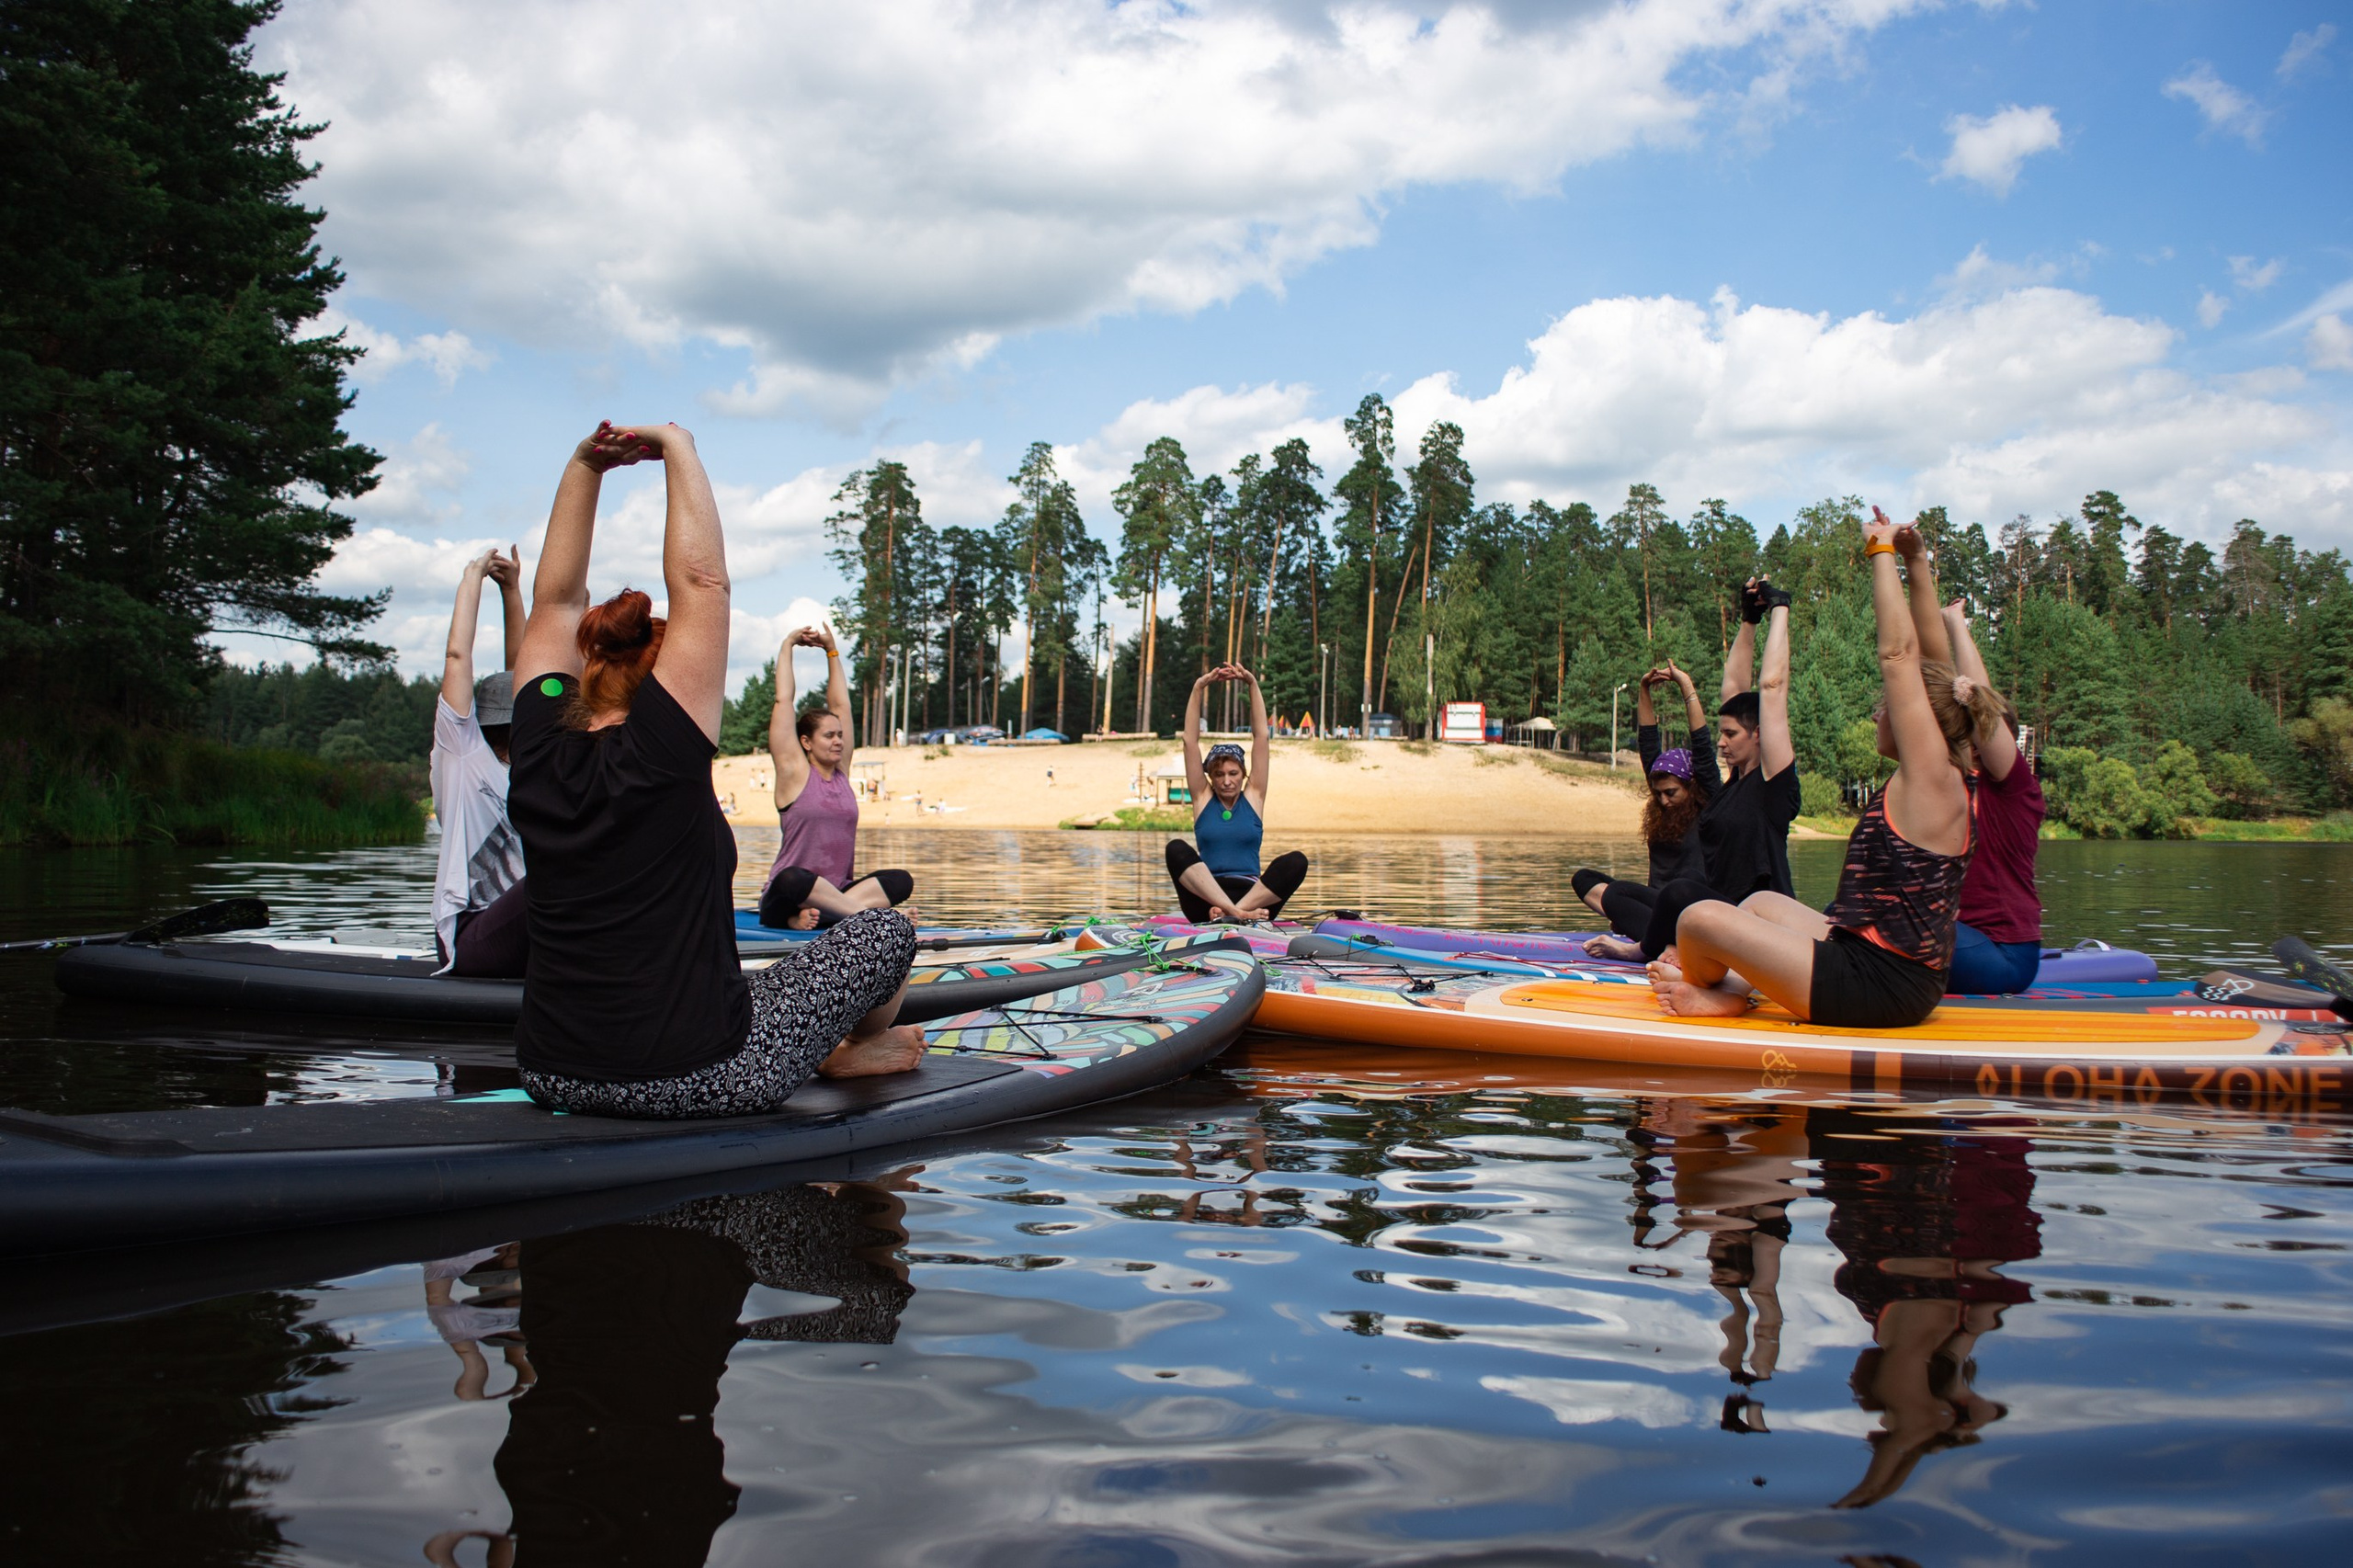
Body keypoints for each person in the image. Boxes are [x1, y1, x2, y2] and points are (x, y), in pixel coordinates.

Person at [506, 421, 921, 1119]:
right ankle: (853, 1048)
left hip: (551, 1072)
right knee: (887, 933)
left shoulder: (537, 744)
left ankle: (837, 1048)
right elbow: (702, 582)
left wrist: (585, 465)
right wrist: (679, 447)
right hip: (700, 1075)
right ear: (663, 687)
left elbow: (554, 605)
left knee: (752, 987)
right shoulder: (663, 750)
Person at [1650, 506, 2000, 1027]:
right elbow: (1932, 661)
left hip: (1878, 984)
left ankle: (1717, 991)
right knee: (1762, 903)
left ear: (1919, 720)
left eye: (1885, 707)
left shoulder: (1931, 778)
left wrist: (1881, 550)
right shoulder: (1953, 768)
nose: (1879, 714)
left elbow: (1900, 656)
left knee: (1697, 919)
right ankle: (1732, 989)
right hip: (1883, 965)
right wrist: (1917, 562)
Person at [1576, 578, 1802, 965]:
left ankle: (1644, 949)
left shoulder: (1772, 786)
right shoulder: (1733, 784)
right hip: (1718, 917)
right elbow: (1734, 688)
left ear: (1761, 735)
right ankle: (1668, 943)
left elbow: (1773, 686)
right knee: (1658, 893)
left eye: (1731, 735)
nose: (1721, 743)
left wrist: (1780, 607)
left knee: (1680, 891)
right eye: (1721, 733)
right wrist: (1748, 620)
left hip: (1760, 926)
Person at [755, 623, 915, 930]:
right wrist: (788, 644)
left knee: (900, 880)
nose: (838, 741)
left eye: (840, 735)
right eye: (829, 736)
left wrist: (832, 650)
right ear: (806, 742)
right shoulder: (793, 773)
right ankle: (872, 920)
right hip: (790, 894)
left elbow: (841, 705)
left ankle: (831, 915)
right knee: (792, 877)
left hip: (838, 895)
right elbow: (783, 701)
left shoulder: (842, 772)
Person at [1571, 660, 1722, 954]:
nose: (1663, 800)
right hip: (1657, 906)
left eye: (1671, 793)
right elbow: (1648, 743)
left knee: (1618, 894)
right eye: (1658, 793)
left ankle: (1649, 942)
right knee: (1585, 880)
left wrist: (1686, 687)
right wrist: (1644, 690)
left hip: (1689, 909)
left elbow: (1702, 747)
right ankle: (1651, 932)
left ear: (1692, 786)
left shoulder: (1708, 805)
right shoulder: (1661, 805)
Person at [431, 545, 530, 977]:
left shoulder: (531, 766)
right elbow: (457, 658)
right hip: (470, 938)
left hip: (523, 933)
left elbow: (525, 674)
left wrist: (511, 591)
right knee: (567, 865)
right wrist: (471, 579)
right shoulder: (463, 755)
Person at [1940, 598, 2045, 994]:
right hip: (1961, 941)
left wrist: (1954, 623)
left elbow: (1982, 708)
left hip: (2004, 954)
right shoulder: (1952, 784)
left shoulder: (2015, 789)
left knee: (1886, 924)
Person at [1165, 664, 1309, 923]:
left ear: (1243, 774)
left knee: (1297, 861)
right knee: (1175, 848)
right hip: (1207, 902)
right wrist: (1198, 687)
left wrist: (1252, 684)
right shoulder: (1202, 798)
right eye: (1219, 775)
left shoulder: (1254, 797)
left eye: (1233, 773)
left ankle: (1234, 912)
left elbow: (1262, 737)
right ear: (1211, 777)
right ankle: (1236, 914)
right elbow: (1189, 742)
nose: (1227, 781)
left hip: (1254, 899)